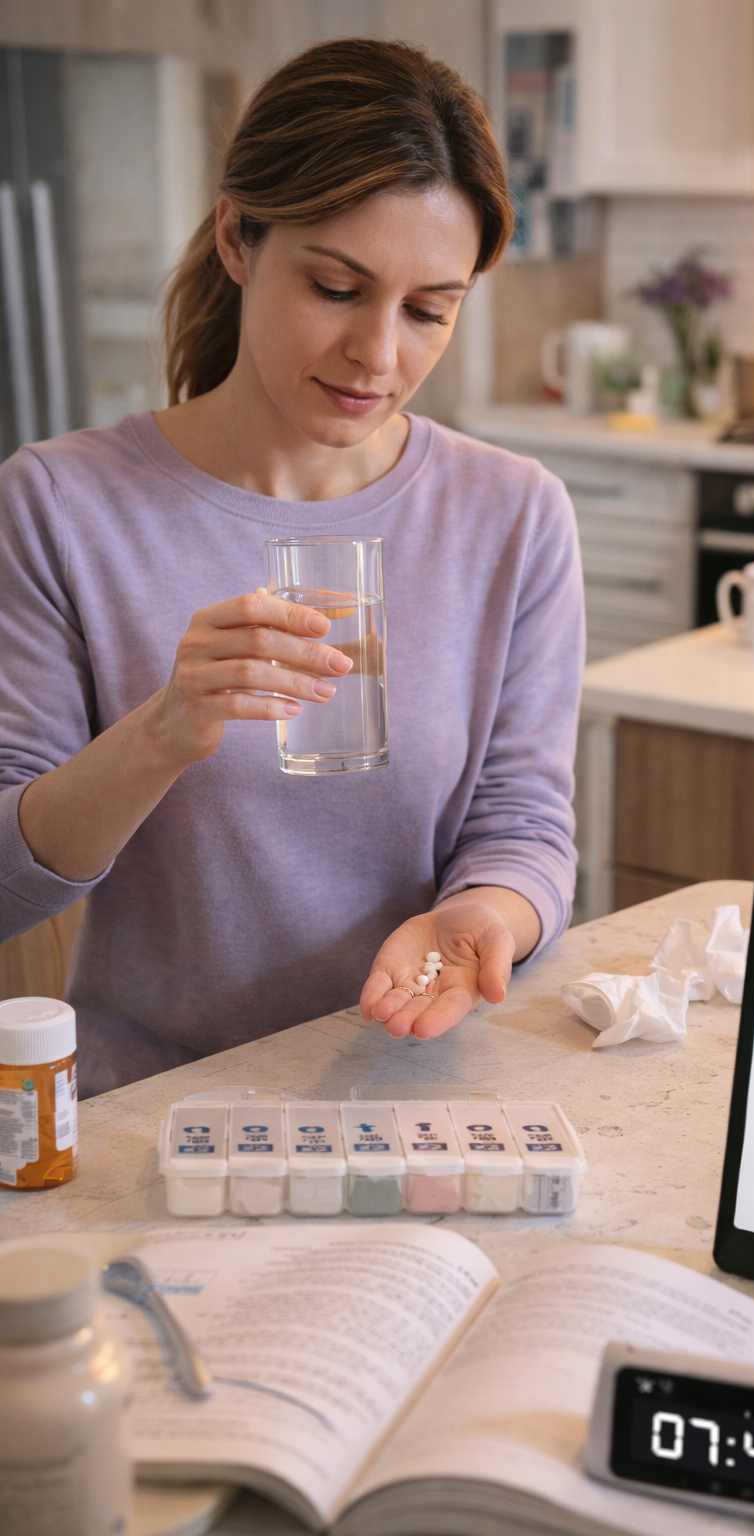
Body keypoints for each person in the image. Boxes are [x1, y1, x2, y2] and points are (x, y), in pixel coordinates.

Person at [0, 39, 584, 1097]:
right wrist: (160, 734)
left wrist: (485, 914)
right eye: (334, 286)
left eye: (427, 310)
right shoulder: (59, 505)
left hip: (422, 1086)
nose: (378, 353)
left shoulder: (513, 514)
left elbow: (525, 826)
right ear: (236, 236)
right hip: (156, 1117)